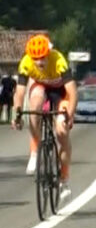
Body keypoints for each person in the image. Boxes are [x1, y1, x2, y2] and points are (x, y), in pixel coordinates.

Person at [12, 34, 77, 200]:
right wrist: (17, 113)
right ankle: (34, 151)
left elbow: (72, 91)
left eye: (42, 58)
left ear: (48, 53)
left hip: (60, 92)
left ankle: (64, 179)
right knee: (34, 104)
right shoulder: (26, 62)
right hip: (41, 87)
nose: (39, 62)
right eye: (35, 58)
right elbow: (19, 91)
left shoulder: (58, 60)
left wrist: (69, 113)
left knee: (62, 132)